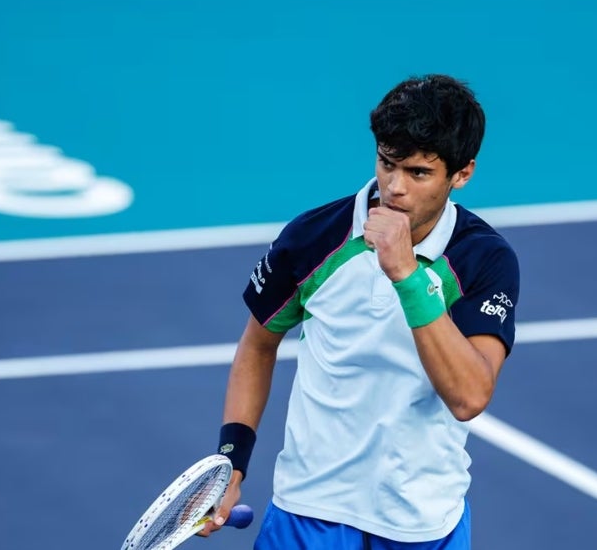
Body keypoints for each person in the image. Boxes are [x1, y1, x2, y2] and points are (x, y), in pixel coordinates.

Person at [203, 74, 520, 549]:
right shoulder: (313, 238)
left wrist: (407, 276)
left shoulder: (484, 260)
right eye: (387, 163)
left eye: (418, 173)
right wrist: (231, 462)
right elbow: (257, 345)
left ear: (462, 173)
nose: (395, 188)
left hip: (422, 522)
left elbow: (469, 396)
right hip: (308, 513)